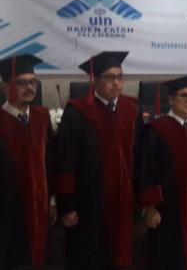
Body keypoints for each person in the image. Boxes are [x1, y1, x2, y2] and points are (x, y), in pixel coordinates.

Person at [55, 51, 140, 270]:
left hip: (123, 202)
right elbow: (66, 160)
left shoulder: (132, 109)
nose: (117, 83)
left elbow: (139, 157)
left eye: (120, 77)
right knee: (89, 256)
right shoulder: (77, 112)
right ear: (95, 80)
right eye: (110, 78)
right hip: (88, 205)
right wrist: (67, 205)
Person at [140, 75, 187, 270]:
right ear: (170, 99)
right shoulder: (157, 130)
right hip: (168, 209)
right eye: (184, 96)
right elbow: (148, 170)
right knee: (170, 255)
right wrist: (151, 208)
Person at [0, 54, 54, 270]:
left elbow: (51, 162)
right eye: (22, 82)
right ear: (5, 87)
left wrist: (52, 201)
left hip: (40, 207)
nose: (30, 88)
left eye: (33, 82)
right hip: (7, 211)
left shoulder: (42, 118)